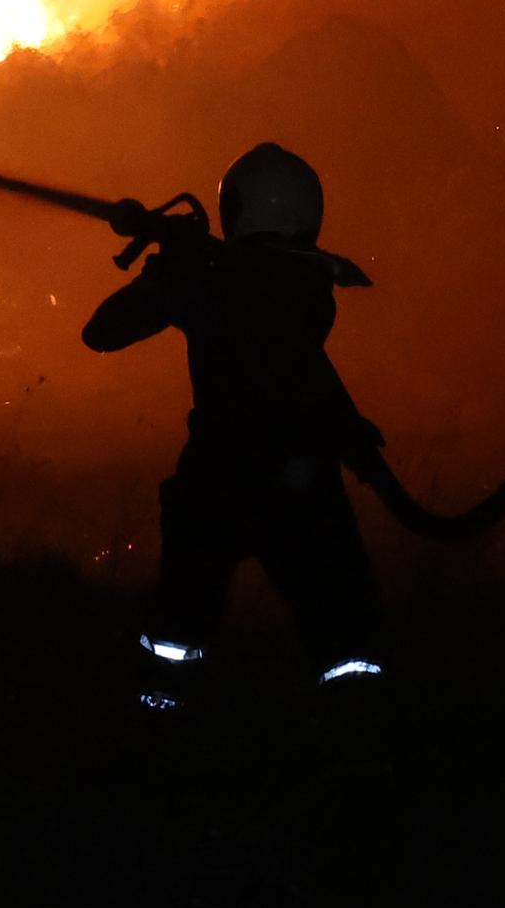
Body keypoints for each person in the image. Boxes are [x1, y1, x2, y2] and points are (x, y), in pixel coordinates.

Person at [86, 141, 391, 701]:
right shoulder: (309, 283)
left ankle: (156, 730)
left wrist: (168, 273)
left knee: (179, 629)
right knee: (345, 626)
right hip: (300, 479)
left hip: (216, 479)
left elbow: (102, 332)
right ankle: (356, 735)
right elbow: (296, 359)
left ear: (235, 211)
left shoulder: (216, 278)